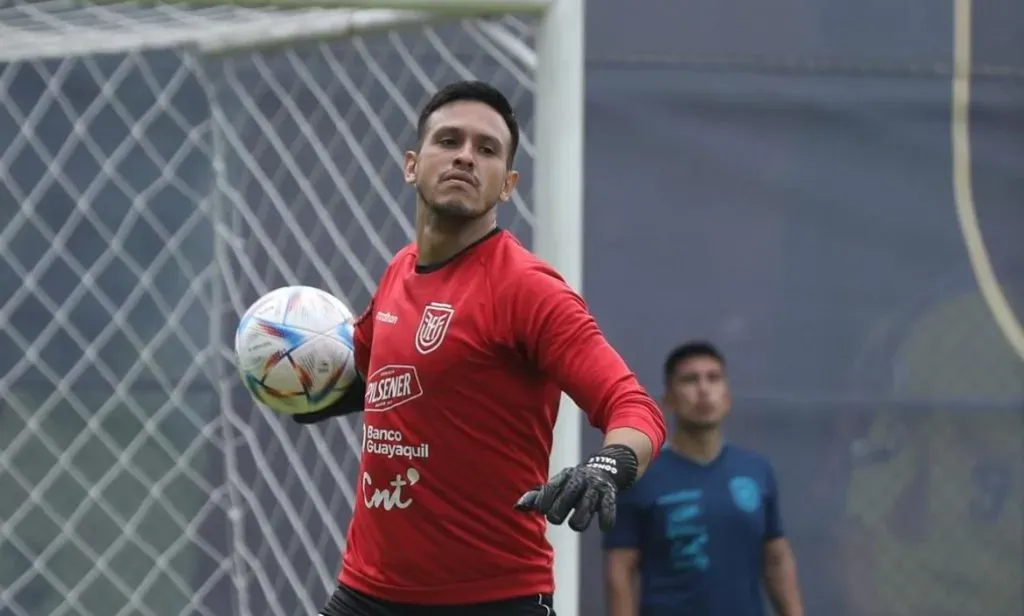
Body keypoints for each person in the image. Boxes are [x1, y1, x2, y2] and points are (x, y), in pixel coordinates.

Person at [294, 80, 667, 616]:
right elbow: (369, 374)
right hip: (366, 594)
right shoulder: (399, 271)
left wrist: (607, 466)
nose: (466, 156)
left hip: (492, 600)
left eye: (487, 149)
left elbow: (635, 409)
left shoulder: (528, 290)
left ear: (508, 184)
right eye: (449, 141)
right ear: (411, 164)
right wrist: (299, 385)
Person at [604, 341, 804, 616]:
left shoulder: (757, 470)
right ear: (668, 400)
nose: (704, 390)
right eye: (689, 380)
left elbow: (776, 558)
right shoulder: (641, 476)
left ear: (727, 395)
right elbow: (621, 569)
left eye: (714, 378)